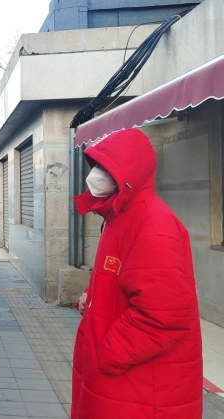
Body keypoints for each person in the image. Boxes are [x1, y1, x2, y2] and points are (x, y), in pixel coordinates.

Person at [71, 129, 202, 418]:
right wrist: (92, 297)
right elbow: (125, 280)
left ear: (129, 173)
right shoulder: (119, 215)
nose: (95, 175)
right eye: (97, 166)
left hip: (139, 389)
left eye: (106, 167)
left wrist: (106, 352)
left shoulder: (153, 226)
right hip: (124, 383)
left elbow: (162, 316)